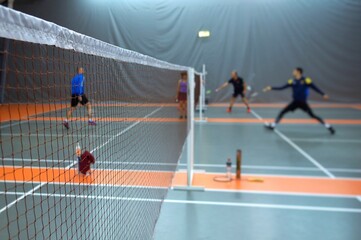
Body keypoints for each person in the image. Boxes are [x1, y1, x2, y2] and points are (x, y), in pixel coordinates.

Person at [263, 67, 335, 134]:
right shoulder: (292, 81)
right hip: (295, 102)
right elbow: (282, 87)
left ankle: (328, 126)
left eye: (294, 71)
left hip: (302, 103)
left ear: (298, 72)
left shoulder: (306, 80)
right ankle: (272, 126)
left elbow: (315, 87)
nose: (293, 72)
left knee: (313, 115)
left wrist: (323, 94)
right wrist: (271, 88)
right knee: (282, 112)